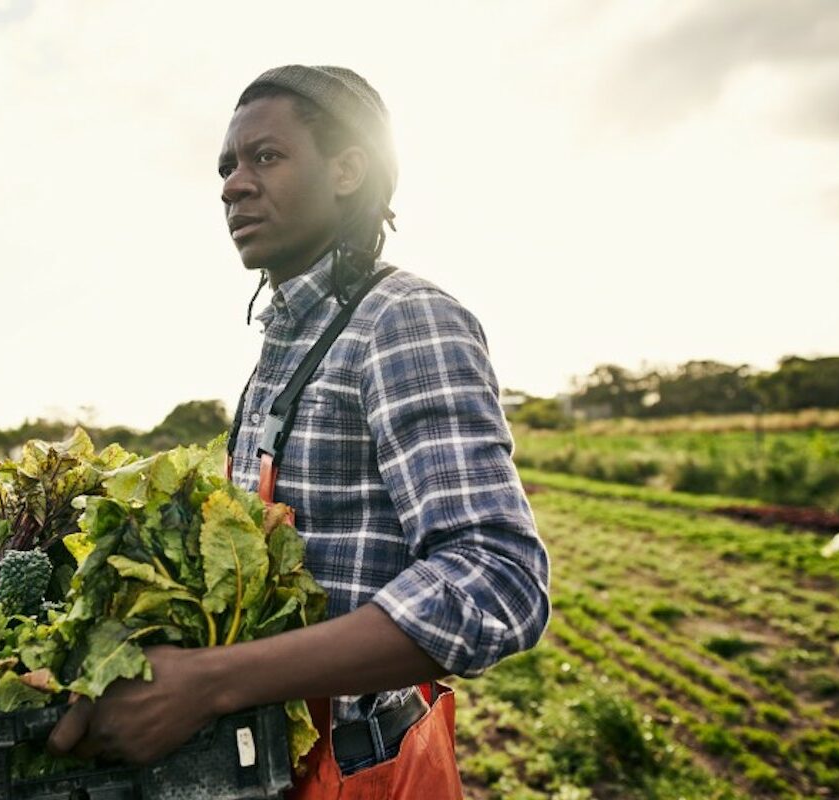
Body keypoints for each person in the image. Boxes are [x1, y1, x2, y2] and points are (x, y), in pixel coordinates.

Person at [49, 65, 552, 798]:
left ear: (348, 170)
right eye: (226, 167)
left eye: (266, 157)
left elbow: (499, 579)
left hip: (363, 773)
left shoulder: (401, 321)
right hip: (275, 767)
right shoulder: (286, 347)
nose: (232, 185)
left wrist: (211, 683)